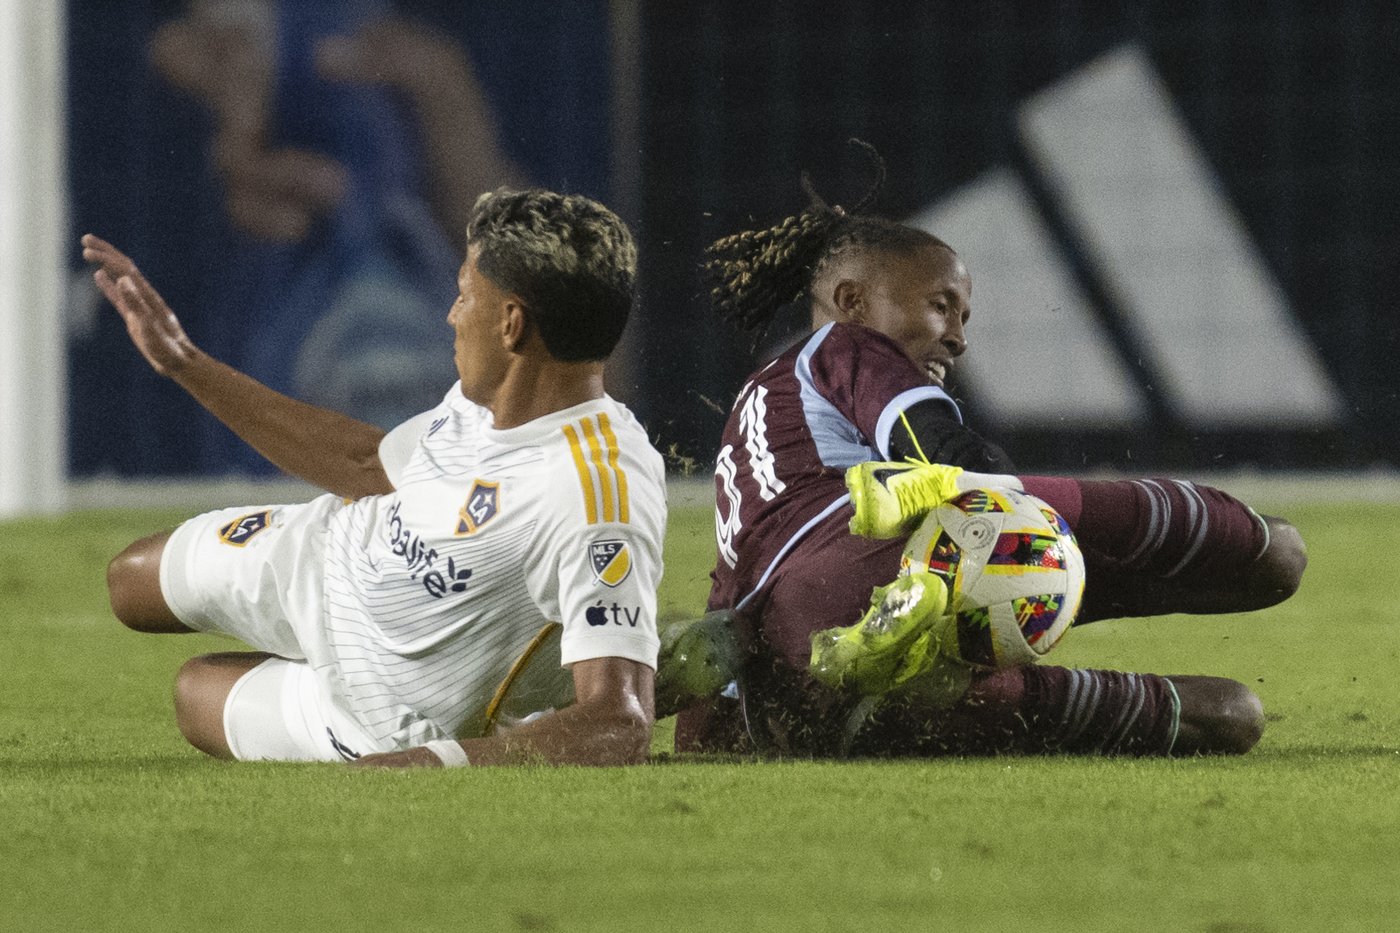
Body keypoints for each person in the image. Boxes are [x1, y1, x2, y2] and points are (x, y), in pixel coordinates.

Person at [667, 158, 1305, 758]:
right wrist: (991, 493)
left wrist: (709, 717)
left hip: (780, 675)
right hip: (872, 549)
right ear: (854, 303)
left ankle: (898, 664)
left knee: (1228, 713)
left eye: (963, 316)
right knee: (1274, 553)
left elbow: (728, 639)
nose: (958, 337)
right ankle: (931, 610)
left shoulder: (758, 412)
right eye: (941, 305)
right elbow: (946, 454)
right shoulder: (844, 345)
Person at [82, 187, 666, 768]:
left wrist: (438, 761)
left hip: (376, 708)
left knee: (193, 692)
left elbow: (618, 725)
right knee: (127, 584)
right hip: (327, 558)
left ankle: (612, 664)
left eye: (464, 295)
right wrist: (184, 361)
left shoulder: (593, 494)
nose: (451, 315)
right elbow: (366, 465)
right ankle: (612, 665)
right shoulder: (484, 395)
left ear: (512, 324)